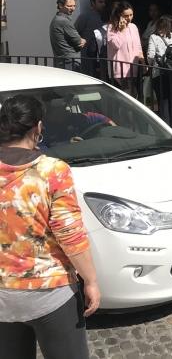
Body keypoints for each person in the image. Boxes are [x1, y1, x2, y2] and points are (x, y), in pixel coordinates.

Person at [0, 94, 101, 359]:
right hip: (48, 291)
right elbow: (71, 235)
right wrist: (90, 281)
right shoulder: (52, 171)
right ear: (38, 128)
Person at [146, 15, 172, 127]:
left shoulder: (154, 37)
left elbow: (150, 55)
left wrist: (150, 65)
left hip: (160, 73)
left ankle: (166, 126)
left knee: (163, 100)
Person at [106, 1, 144, 97]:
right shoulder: (111, 27)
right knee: (130, 94)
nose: (129, 18)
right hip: (120, 69)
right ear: (120, 15)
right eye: (126, 16)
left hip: (133, 68)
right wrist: (122, 30)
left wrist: (143, 62)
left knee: (133, 95)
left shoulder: (133, 27)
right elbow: (116, 45)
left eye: (131, 15)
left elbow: (138, 47)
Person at [73, 0, 105, 79]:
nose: (103, 4)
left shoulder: (105, 16)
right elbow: (75, 32)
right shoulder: (85, 16)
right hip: (88, 55)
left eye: (104, 2)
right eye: (100, 2)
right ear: (92, 2)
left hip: (102, 56)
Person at [48, 0, 84, 72]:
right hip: (70, 62)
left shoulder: (57, 20)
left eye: (74, 6)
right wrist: (84, 40)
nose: (73, 8)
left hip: (62, 61)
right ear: (60, 5)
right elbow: (79, 42)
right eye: (69, 6)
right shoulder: (64, 21)